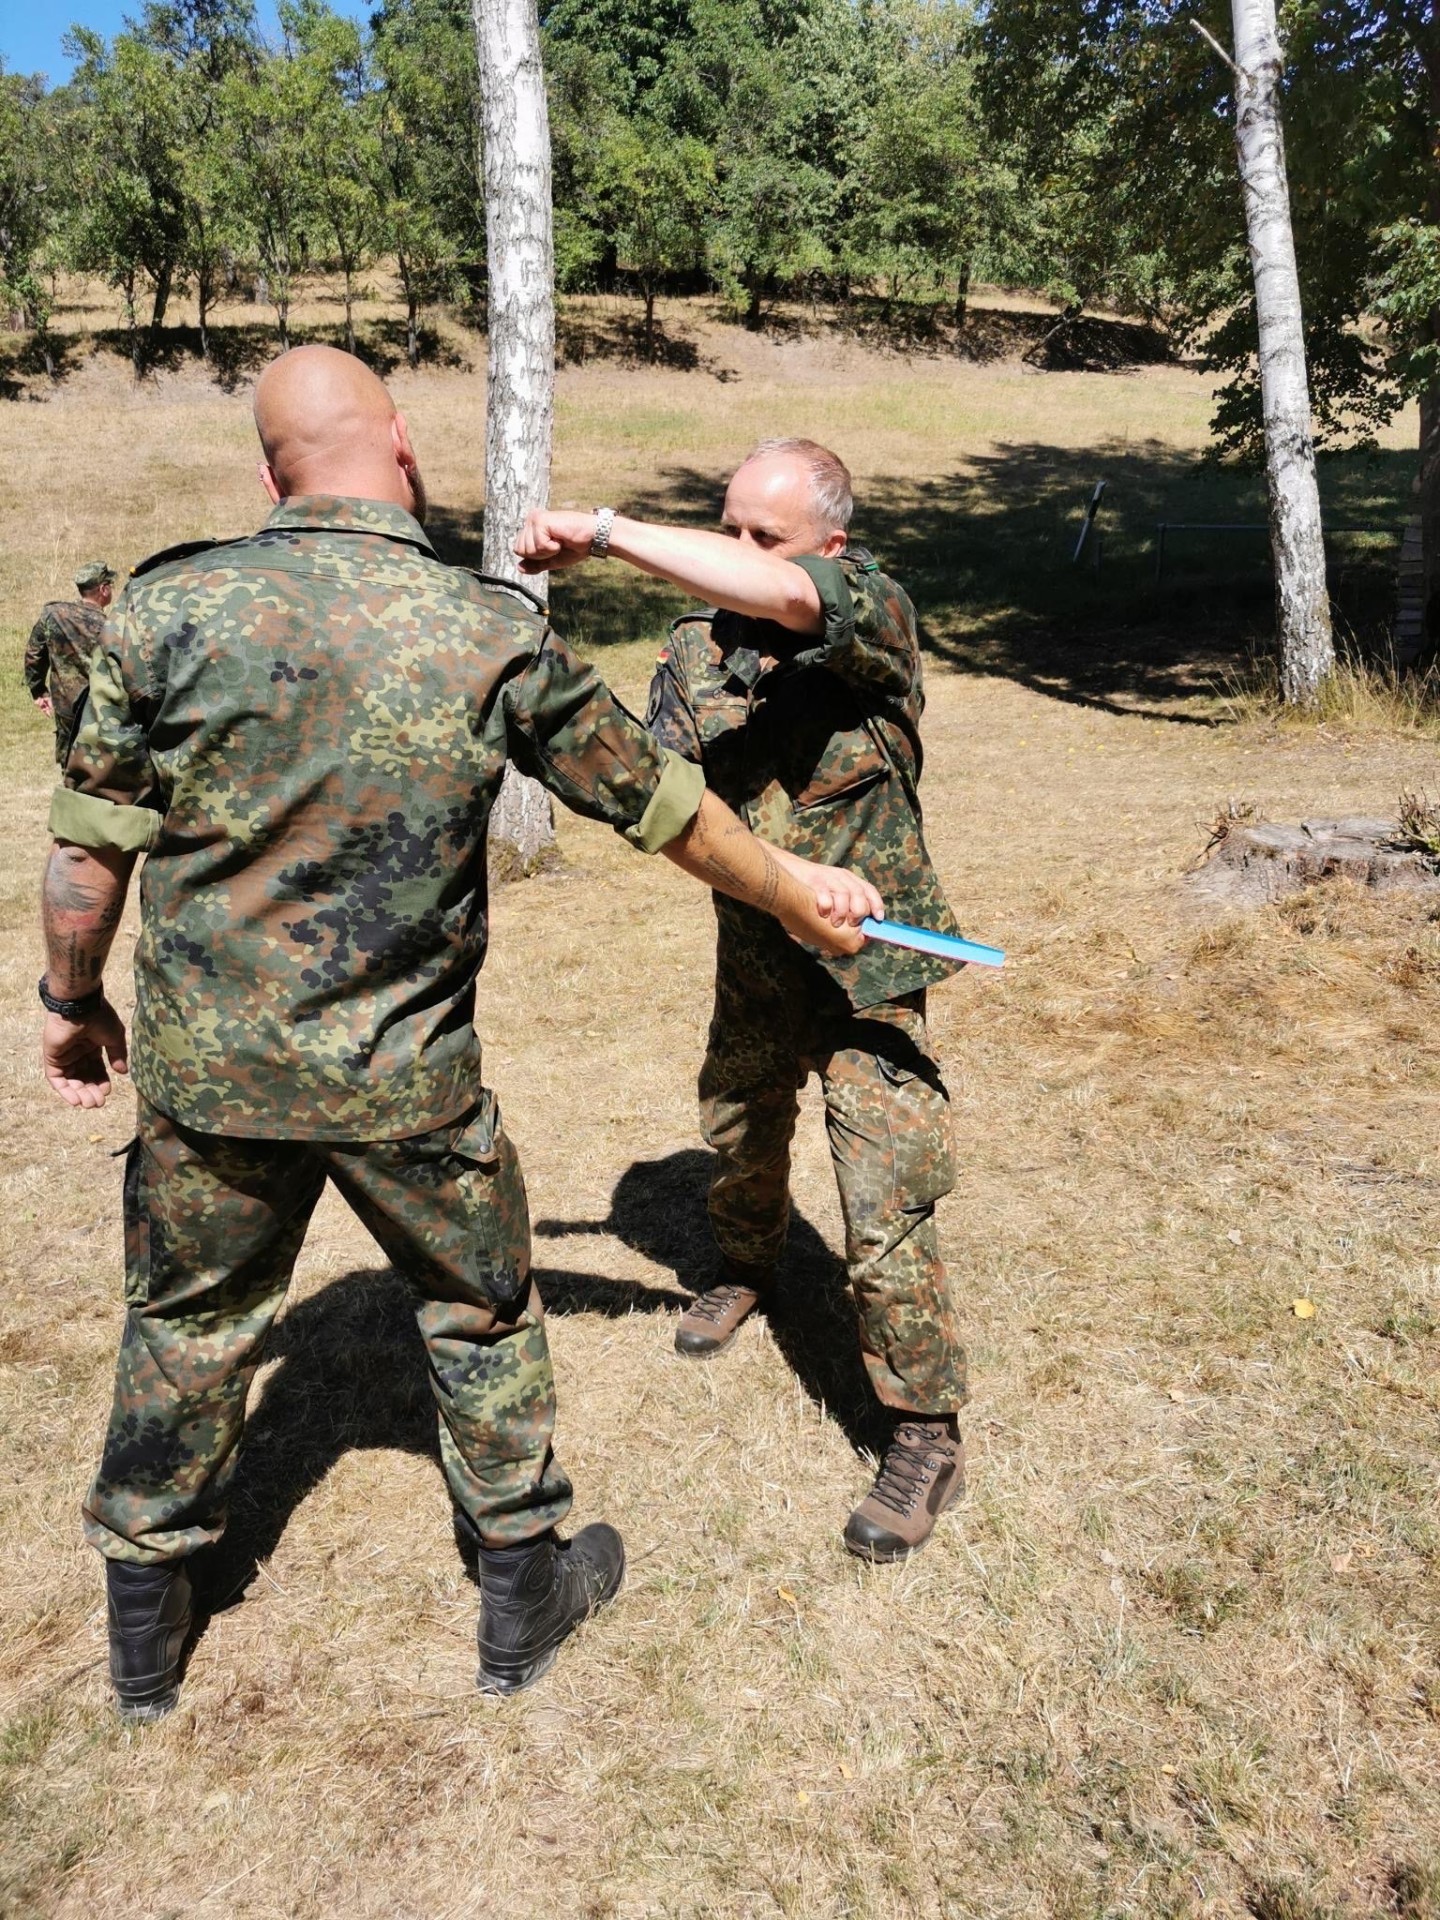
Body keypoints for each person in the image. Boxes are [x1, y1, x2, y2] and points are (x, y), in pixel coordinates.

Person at [38, 354, 878, 1722]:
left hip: (212, 1081)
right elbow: (656, 802)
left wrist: (72, 1006)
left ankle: (146, 1640)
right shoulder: (482, 628)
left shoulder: (162, 609)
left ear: (270, 475)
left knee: (186, 1329)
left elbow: (90, 848)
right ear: (405, 450)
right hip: (407, 1083)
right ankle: (521, 1600)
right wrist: (799, 890)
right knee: (482, 1315)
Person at [515, 439, 969, 1563]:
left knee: (886, 1193)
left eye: (765, 535)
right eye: (730, 528)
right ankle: (745, 1271)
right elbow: (667, 804)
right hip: (754, 960)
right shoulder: (692, 651)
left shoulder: (874, 615)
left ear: (830, 546)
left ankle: (922, 1429)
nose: (740, 554)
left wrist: (611, 531)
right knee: (738, 1132)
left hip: (867, 973)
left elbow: (786, 596)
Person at [25, 561, 116, 762]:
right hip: (102, 707)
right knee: (104, 762)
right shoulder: (109, 626)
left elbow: (34, 654)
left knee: (70, 762)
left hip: (65, 705)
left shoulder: (53, 614)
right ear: (103, 589)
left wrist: (38, 690)